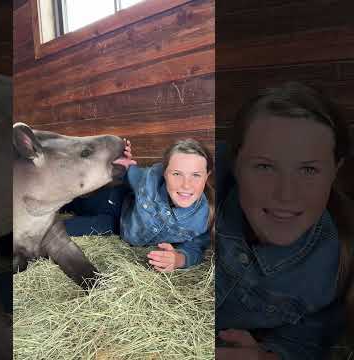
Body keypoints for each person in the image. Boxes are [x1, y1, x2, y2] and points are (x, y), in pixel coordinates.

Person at [215, 82, 354, 360]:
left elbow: (305, 342)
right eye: (265, 166)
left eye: (308, 169)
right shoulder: (205, 179)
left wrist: (263, 356)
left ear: (334, 172)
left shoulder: (332, 269)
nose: (286, 195)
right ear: (236, 164)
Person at [62, 138, 214, 271]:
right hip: (115, 202)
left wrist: (179, 259)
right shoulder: (151, 179)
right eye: (176, 174)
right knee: (76, 203)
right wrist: (126, 165)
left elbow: (196, 248)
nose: (186, 185)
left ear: (207, 176)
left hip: (116, 227)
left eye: (195, 175)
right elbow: (132, 174)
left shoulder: (202, 220)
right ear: (165, 173)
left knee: (67, 228)